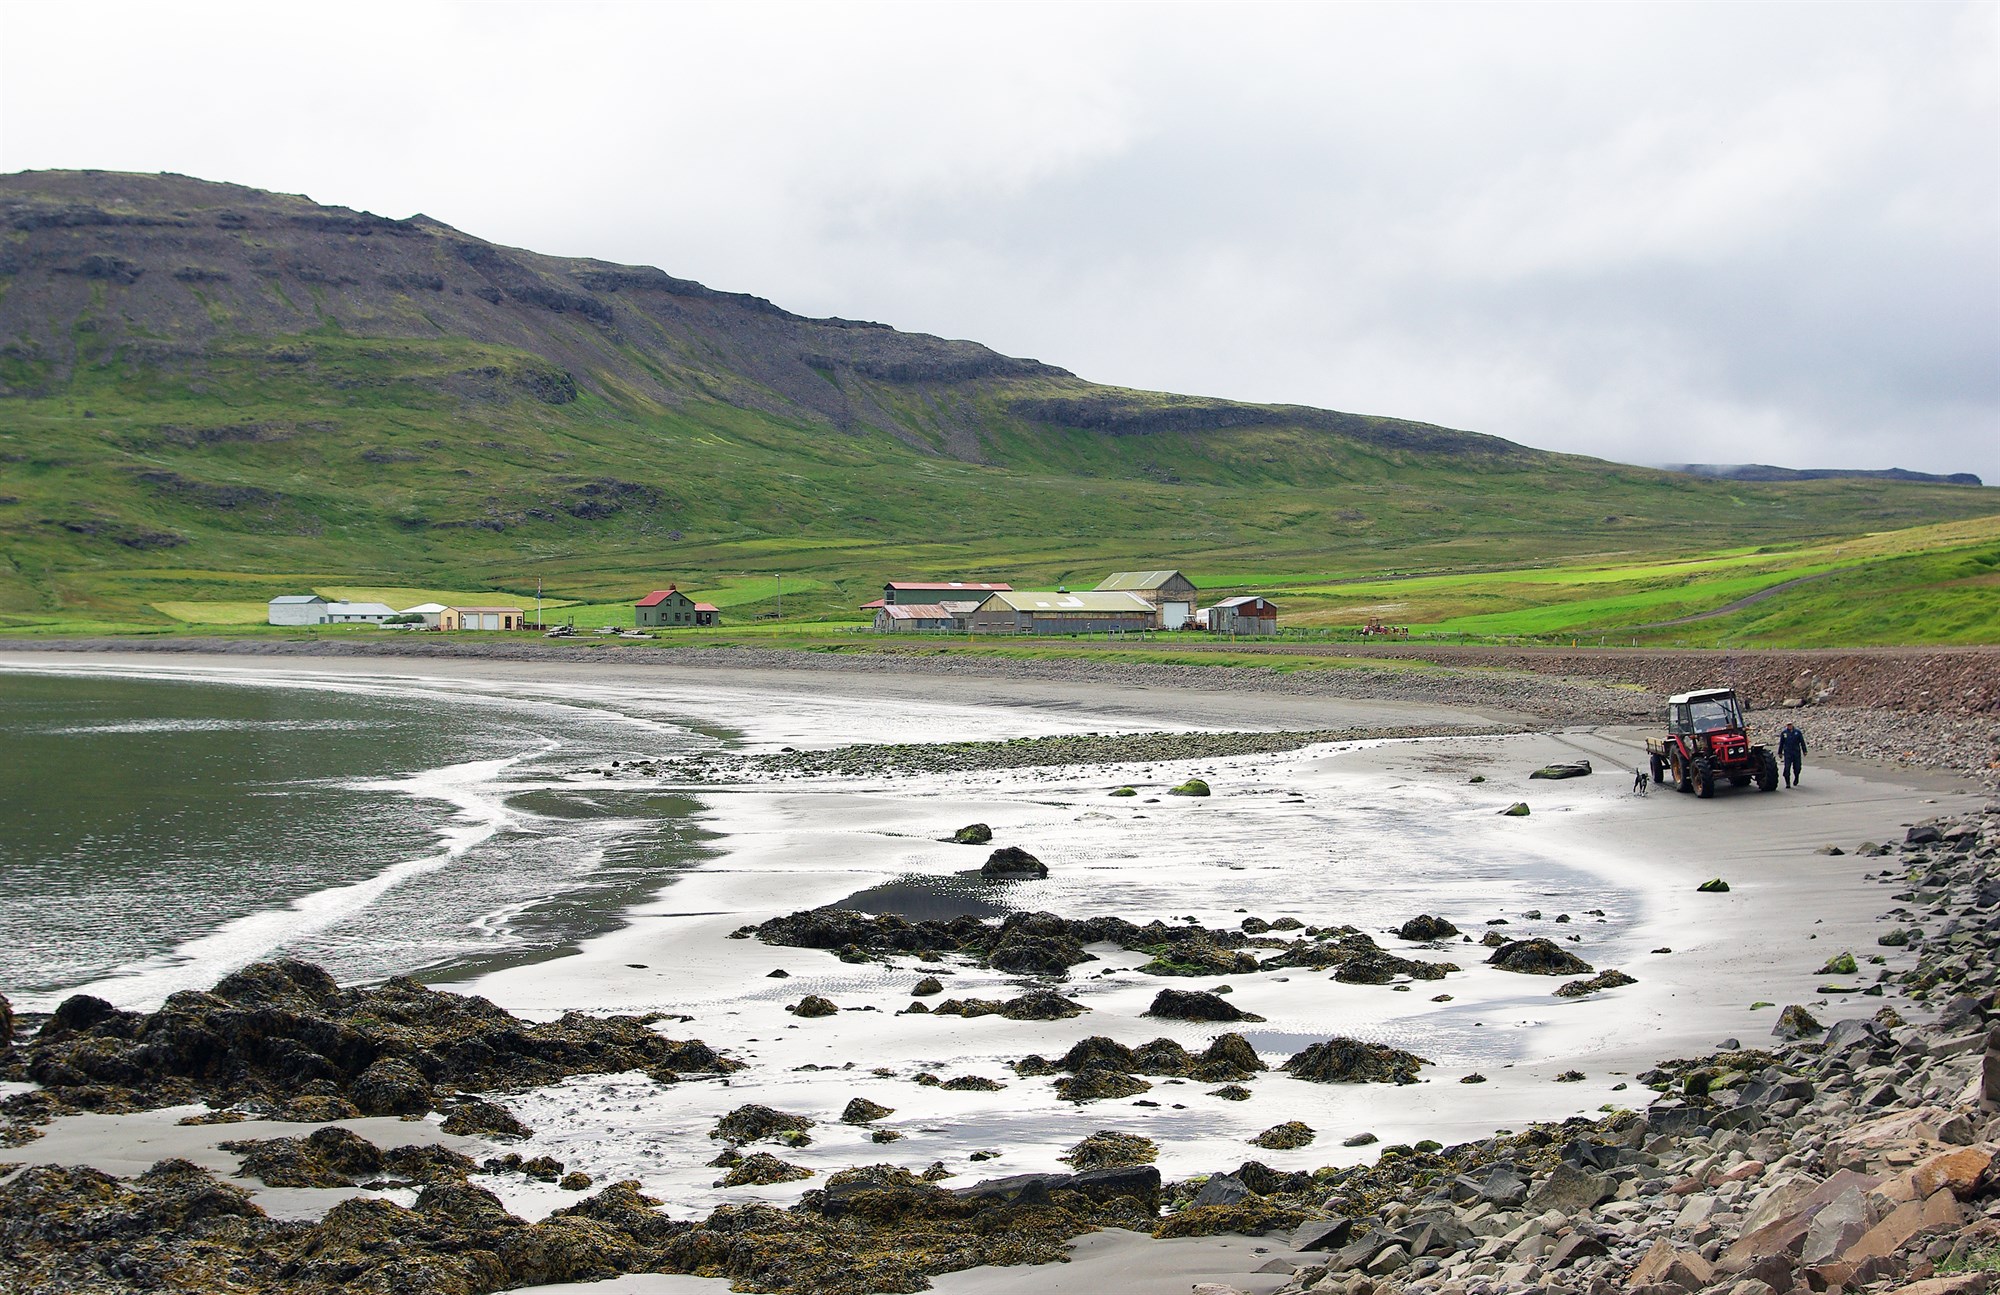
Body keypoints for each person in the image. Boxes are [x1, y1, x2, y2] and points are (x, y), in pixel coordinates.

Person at [1778, 722, 1807, 788]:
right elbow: (1781, 743)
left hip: (1796, 752)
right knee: (1787, 768)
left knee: (1797, 767)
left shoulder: (1797, 732)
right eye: (1788, 725)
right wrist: (1780, 752)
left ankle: (1796, 777)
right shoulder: (1784, 733)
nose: (1789, 726)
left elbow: (1802, 742)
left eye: (1790, 725)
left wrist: (1804, 750)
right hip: (1788, 753)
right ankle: (1787, 783)